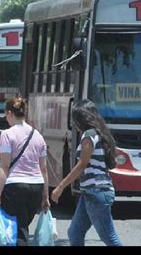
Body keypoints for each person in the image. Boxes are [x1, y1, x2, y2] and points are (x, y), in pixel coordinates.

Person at [51, 99, 122, 246]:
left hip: (96, 192)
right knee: (75, 232)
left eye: (75, 118)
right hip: (90, 192)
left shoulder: (89, 135)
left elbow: (81, 164)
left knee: (109, 237)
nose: (74, 123)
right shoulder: (99, 133)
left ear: (81, 119)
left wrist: (60, 186)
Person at [0, 97, 50, 246]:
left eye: (5, 115)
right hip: (36, 187)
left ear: (10, 113)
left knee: (18, 232)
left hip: (15, 186)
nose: (6, 118)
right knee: (23, 227)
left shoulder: (7, 134)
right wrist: (45, 197)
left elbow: (4, 166)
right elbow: (44, 169)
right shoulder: (38, 136)